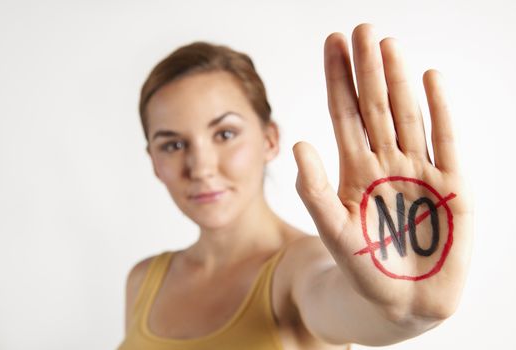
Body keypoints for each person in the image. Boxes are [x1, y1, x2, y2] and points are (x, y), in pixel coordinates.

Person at [117, 23, 473, 350]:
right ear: (153, 161)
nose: (201, 167)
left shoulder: (302, 265)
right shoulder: (144, 280)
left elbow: (342, 303)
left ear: (270, 139)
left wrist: (405, 312)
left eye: (225, 134)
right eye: (173, 145)